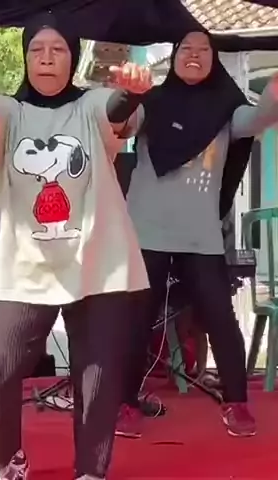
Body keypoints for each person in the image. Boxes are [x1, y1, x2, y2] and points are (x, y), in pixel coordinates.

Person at [0, 12, 152, 480]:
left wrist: (134, 92)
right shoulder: (10, 111)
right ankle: (9, 459)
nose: (46, 58)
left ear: (72, 59)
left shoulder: (91, 104)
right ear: (25, 58)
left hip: (99, 258)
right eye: (36, 50)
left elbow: (117, 112)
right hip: (24, 262)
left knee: (97, 374)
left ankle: (90, 471)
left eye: (57, 49)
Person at [117, 29, 278, 439]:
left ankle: (237, 403)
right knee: (134, 321)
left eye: (203, 49)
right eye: (185, 48)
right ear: (173, 57)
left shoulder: (227, 109)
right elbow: (124, 125)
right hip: (146, 231)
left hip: (199, 236)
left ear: (213, 58)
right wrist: (128, 96)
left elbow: (258, 118)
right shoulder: (152, 102)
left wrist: (275, 93)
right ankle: (124, 403)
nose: (194, 54)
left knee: (220, 318)